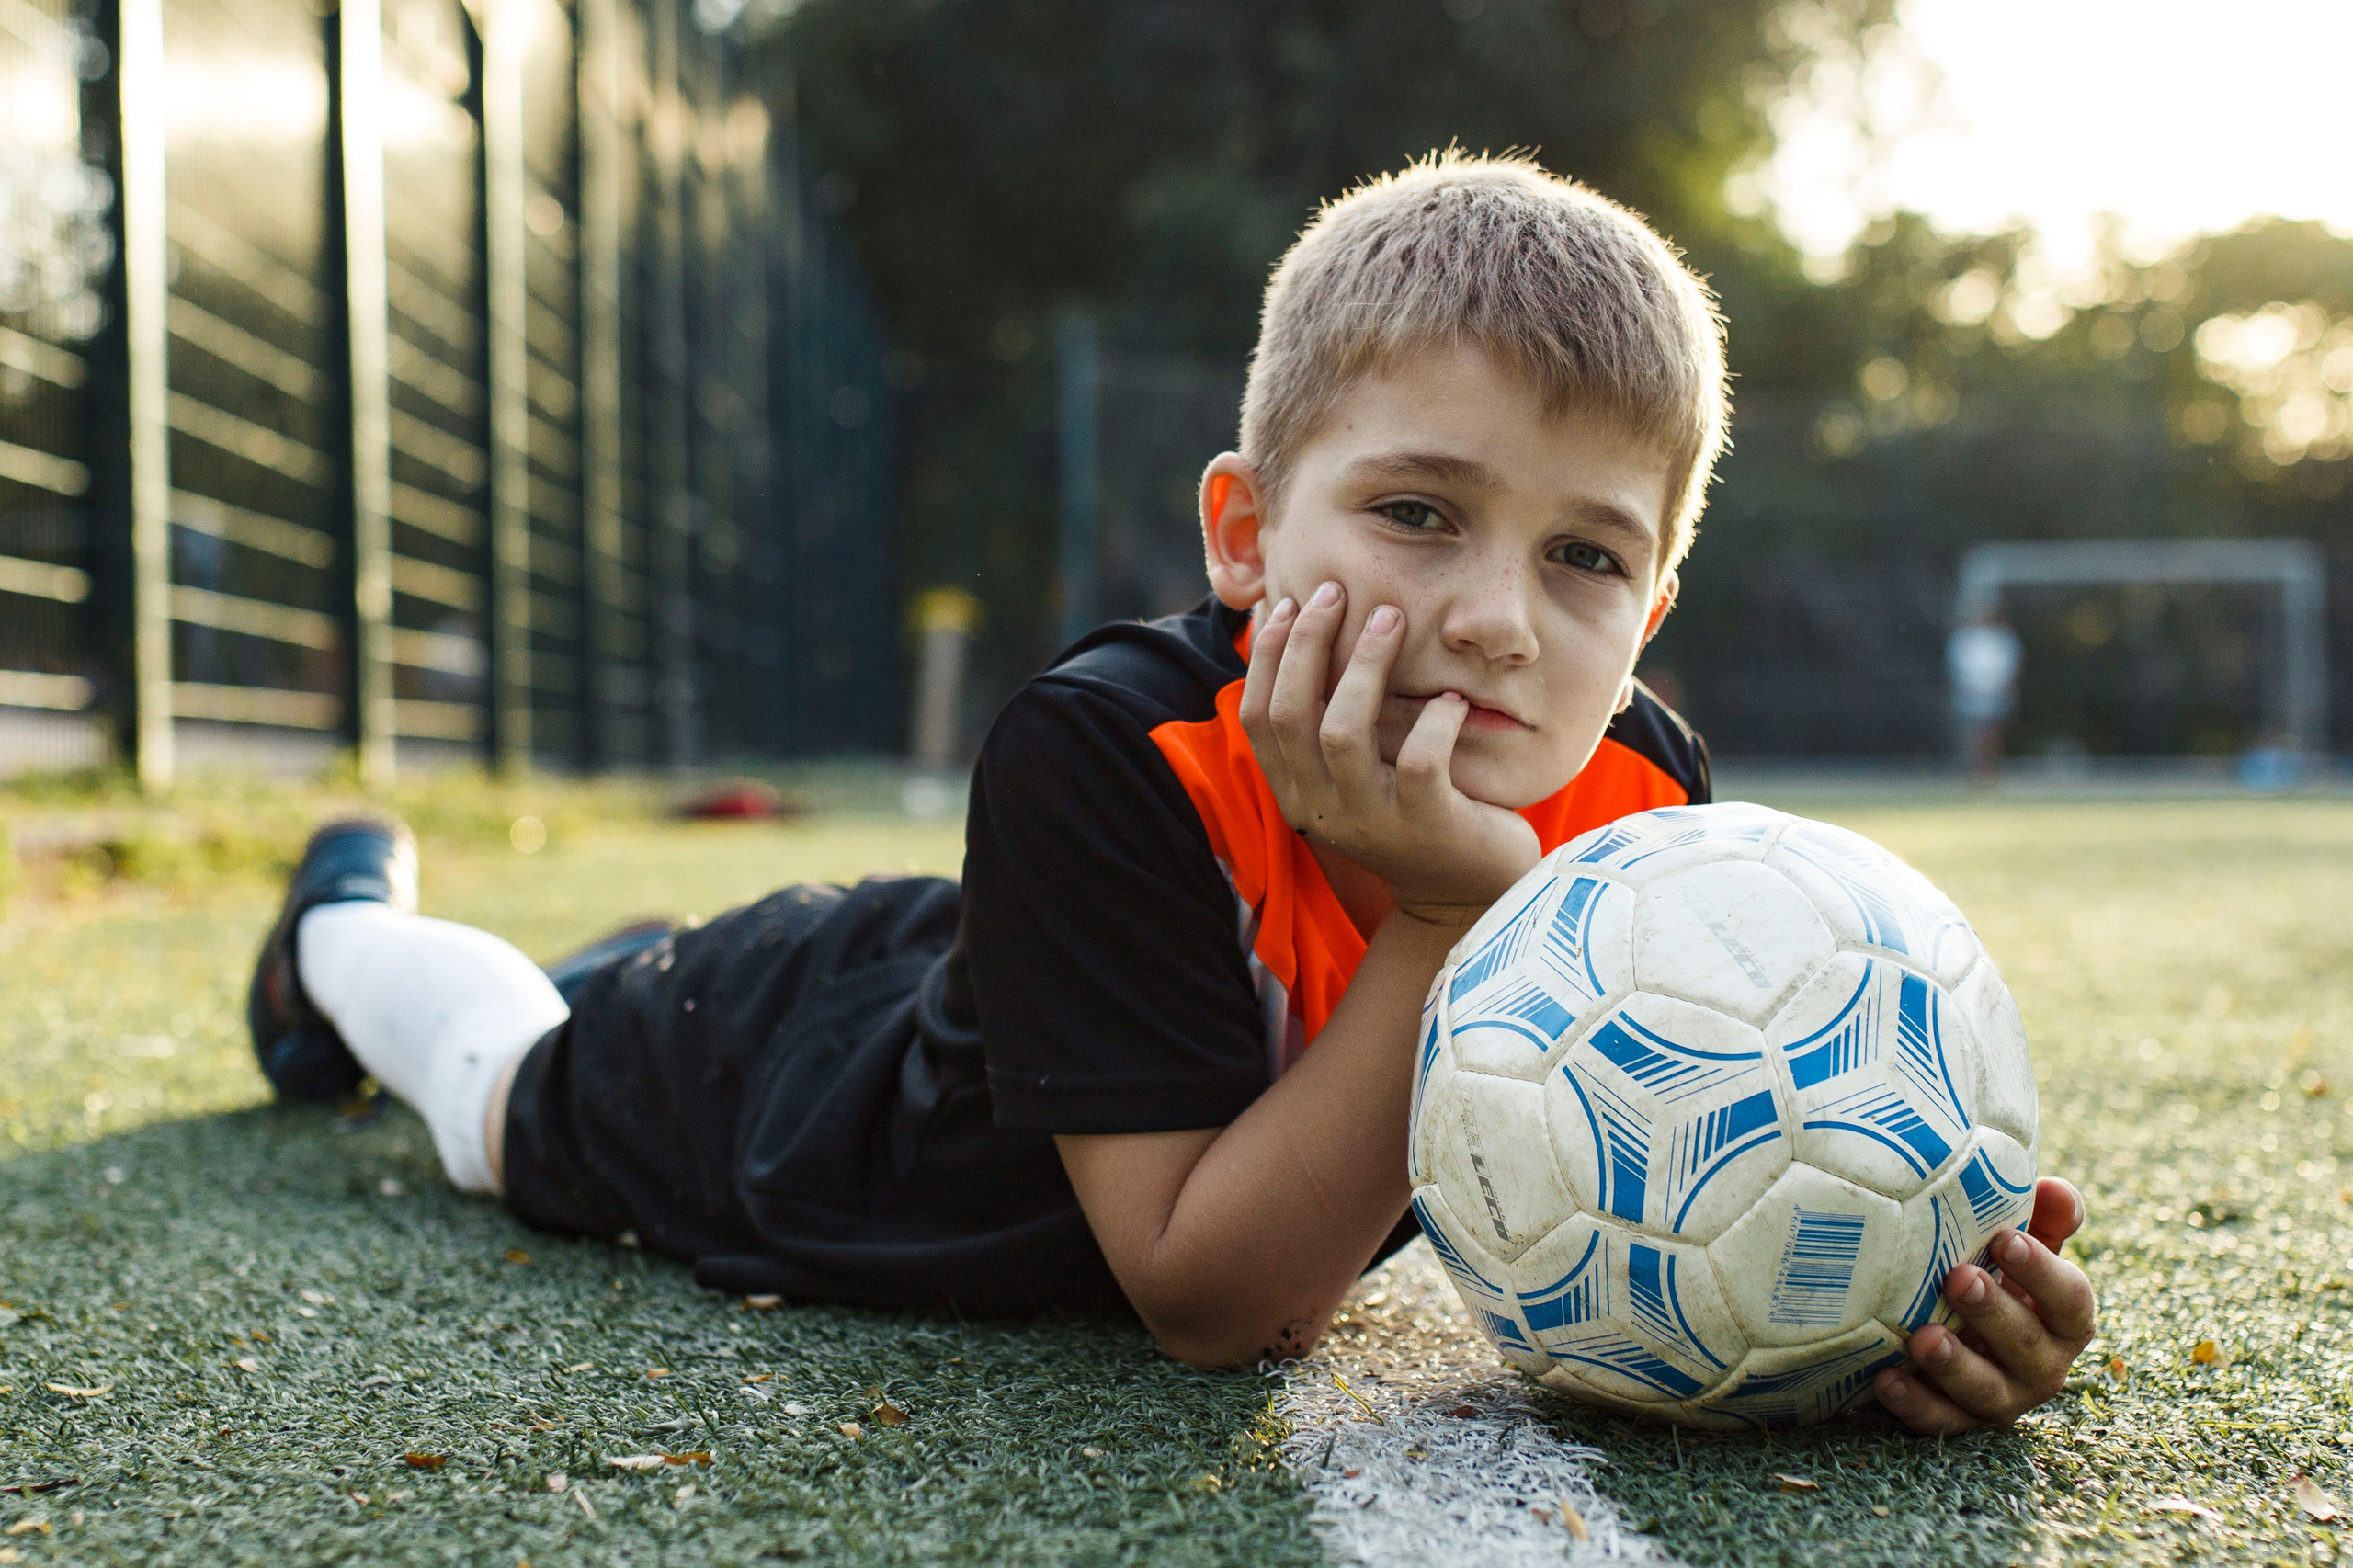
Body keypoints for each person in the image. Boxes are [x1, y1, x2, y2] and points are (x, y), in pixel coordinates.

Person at [245, 153, 2094, 1436]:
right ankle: (342, 922)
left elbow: (1693, 1177)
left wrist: (1900, 1312)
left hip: (997, 979)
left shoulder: (1643, 807)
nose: (1488, 618)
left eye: (1584, 561)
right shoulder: (1103, 755)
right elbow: (1210, 1306)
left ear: (1649, 613)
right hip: (787, 1090)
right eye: (1415, 512)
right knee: (500, 1090)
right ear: (1240, 534)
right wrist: (1448, 912)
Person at [1948, 608, 2023, 785]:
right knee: (1973, 732)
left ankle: (1992, 771)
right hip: (1971, 693)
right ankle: (1975, 772)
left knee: (1993, 733)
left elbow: (2012, 665)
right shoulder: (1964, 638)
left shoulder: (2003, 637)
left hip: (1997, 692)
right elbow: (1955, 666)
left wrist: (2001, 686)